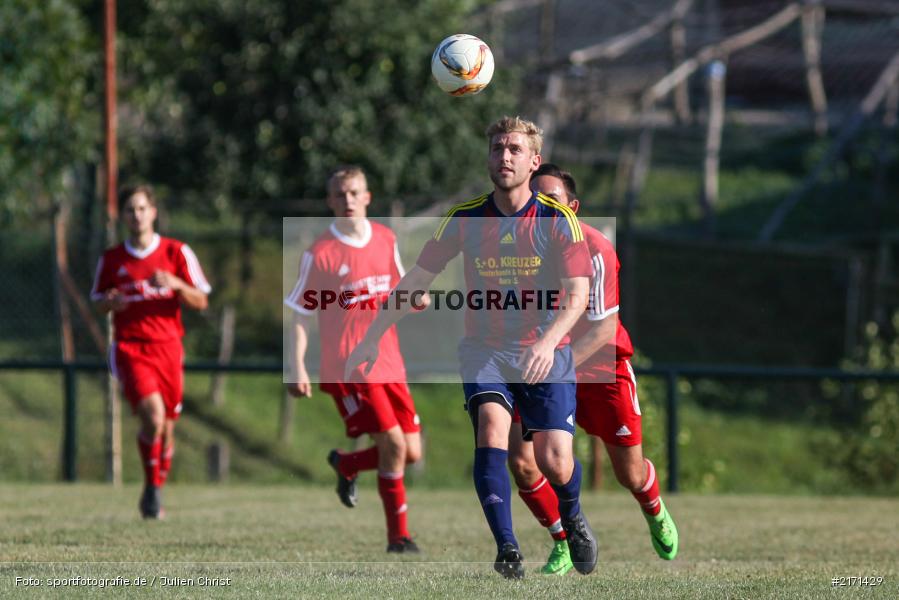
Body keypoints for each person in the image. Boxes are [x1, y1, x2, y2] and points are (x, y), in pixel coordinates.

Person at [346, 116, 598, 579]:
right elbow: (416, 280)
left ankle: (574, 516)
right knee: (490, 431)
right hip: (486, 349)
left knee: (554, 461)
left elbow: (578, 294)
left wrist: (546, 341)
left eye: (515, 150)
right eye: (498, 148)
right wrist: (372, 335)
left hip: (546, 351)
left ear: (534, 161)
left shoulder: (557, 219)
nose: (504, 156)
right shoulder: (464, 219)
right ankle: (507, 547)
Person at [509, 163, 679, 575]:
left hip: (600, 370)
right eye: (537, 200)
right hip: (543, 366)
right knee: (522, 460)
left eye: (553, 200)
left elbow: (604, 328)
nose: (543, 207)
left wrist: (553, 362)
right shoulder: (517, 248)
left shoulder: (597, 248)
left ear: (573, 207)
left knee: (630, 473)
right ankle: (564, 539)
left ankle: (653, 509)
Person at [284, 165, 424, 553]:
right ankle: (399, 538)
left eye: (354, 193)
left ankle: (347, 464)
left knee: (412, 452)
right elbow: (301, 313)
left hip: (389, 360)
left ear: (367, 197)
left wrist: (415, 298)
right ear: (330, 201)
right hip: (350, 364)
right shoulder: (320, 254)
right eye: (340, 194)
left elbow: (398, 291)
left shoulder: (385, 238)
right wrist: (295, 364)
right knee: (394, 446)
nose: (348, 200)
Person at [91, 185, 211, 519]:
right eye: (130, 209)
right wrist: (109, 303)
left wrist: (177, 284)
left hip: (169, 349)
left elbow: (202, 300)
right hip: (131, 347)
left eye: (142, 208)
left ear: (153, 212)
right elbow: (97, 301)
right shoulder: (112, 259)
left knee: (168, 427)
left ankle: (155, 487)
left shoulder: (176, 252)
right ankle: (152, 489)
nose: (136, 215)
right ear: (123, 216)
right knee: (154, 417)